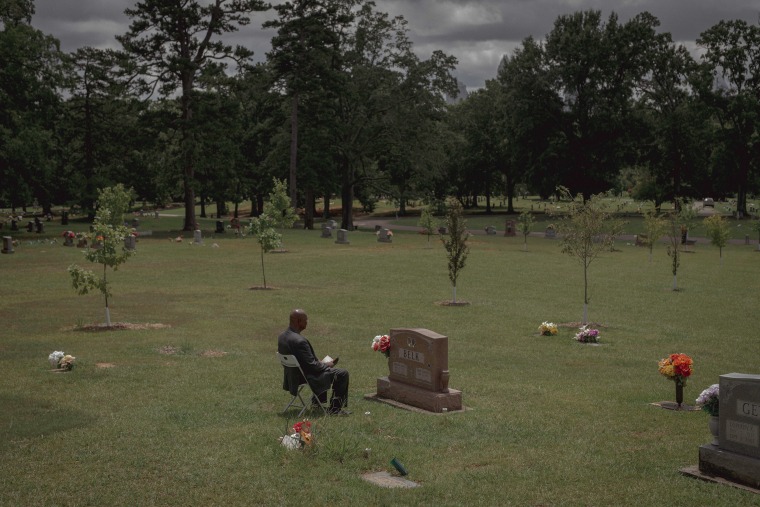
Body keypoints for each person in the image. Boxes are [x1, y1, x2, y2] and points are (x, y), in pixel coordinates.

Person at [278, 309, 350, 415]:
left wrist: (319, 362)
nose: (307, 322)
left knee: (323, 368)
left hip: (292, 374)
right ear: (298, 321)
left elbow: (305, 361)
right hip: (304, 376)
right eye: (305, 320)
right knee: (342, 373)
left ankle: (317, 403)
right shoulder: (300, 341)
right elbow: (312, 367)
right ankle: (335, 409)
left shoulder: (282, 336)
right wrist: (327, 364)